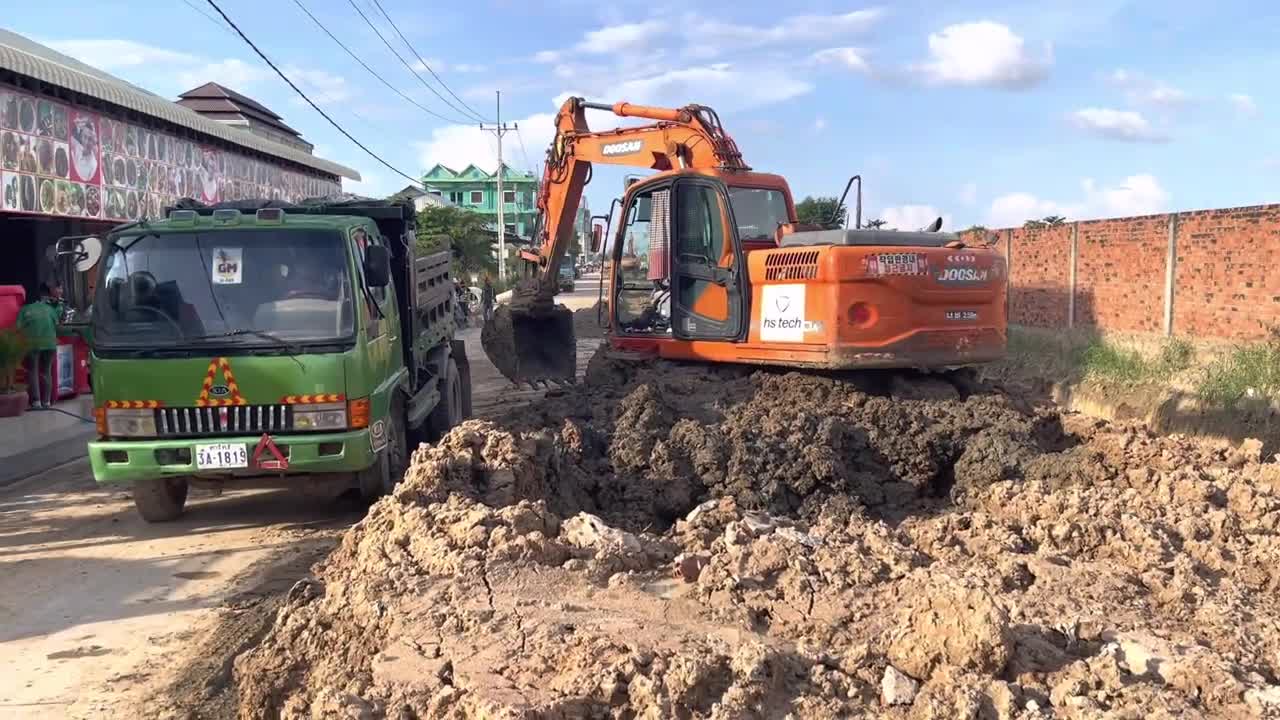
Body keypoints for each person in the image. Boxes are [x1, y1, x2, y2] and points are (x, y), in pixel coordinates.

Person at [18, 281, 64, 409]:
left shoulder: (24, 310)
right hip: (50, 344)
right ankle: (47, 402)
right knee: (46, 371)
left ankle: (36, 402)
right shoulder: (49, 309)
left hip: (33, 344)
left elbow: (17, 328)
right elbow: (57, 324)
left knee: (33, 371)